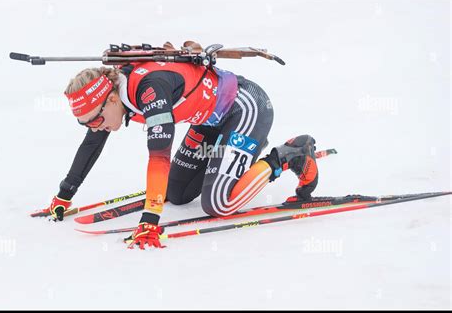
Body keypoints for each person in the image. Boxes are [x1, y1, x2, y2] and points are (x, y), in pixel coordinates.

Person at [42, 59, 319, 250]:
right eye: (85, 124)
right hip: (210, 120)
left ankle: (290, 153)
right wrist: (64, 195)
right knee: (175, 192)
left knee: (219, 203)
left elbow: (159, 155)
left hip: (244, 108)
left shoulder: (151, 91)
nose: (94, 128)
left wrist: (150, 221)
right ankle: (234, 155)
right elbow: (91, 146)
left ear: (112, 100)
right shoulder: (109, 98)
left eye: (94, 121)